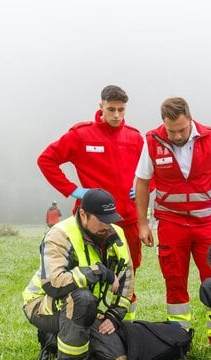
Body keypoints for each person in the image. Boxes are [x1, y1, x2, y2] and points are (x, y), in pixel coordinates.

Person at [134, 97, 211, 346]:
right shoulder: (152, 140)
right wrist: (142, 223)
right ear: (163, 124)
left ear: (190, 120)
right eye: (171, 131)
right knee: (174, 279)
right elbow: (142, 182)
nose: (177, 135)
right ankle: (178, 339)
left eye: (182, 129)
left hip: (205, 224)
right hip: (171, 224)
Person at [22, 188, 134, 360]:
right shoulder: (59, 234)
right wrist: (97, 272)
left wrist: (114, 315)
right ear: (83, 214)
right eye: (101, 220)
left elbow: (127, 281)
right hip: (42, 304)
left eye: (110, 219)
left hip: (87, 308)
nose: (107, 225)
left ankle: (62, 338)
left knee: (117, 358)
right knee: (82, 299)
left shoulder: (117, 234)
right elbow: (54, 283)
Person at [37, 85, 144, 275]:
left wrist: (145, 187)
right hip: (93, 219)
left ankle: (125, 305)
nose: (117, 115)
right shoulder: (81, 135)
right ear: (101, 106)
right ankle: (87, 304)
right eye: (111, 109)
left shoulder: (134, 137)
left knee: (128, 271)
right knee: (91, 270)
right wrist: (73, 190)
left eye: (121, 110)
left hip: (127, 218)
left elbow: (151, 170)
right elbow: (46, 160)